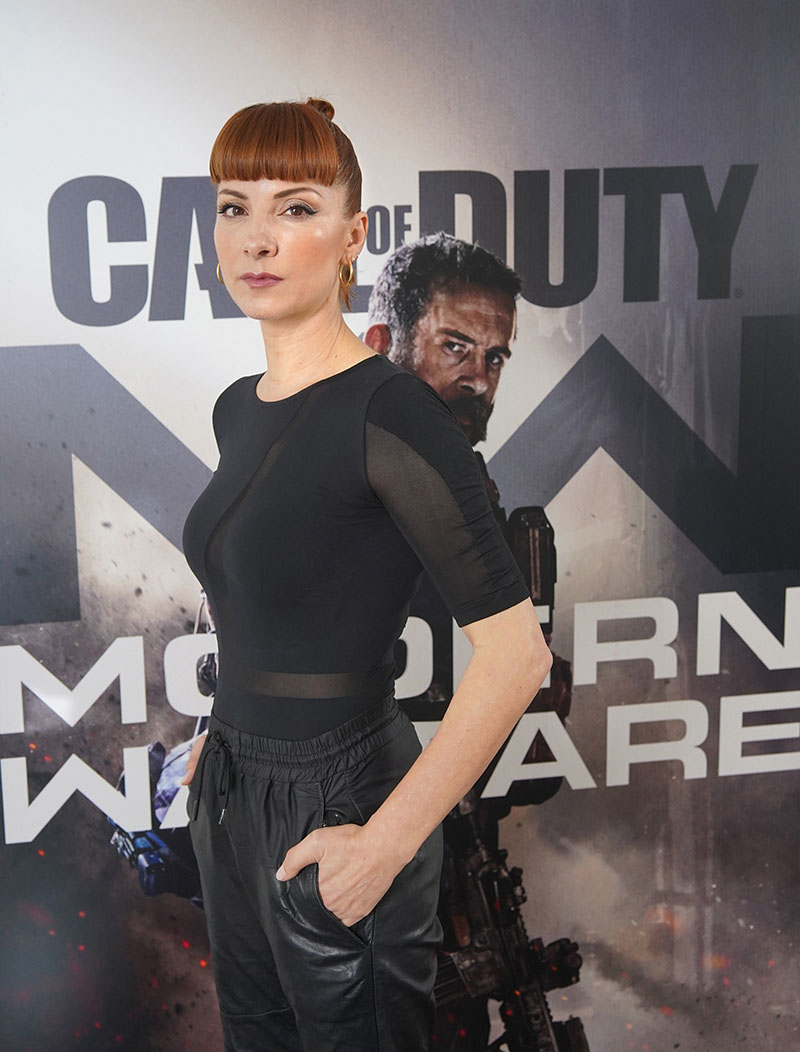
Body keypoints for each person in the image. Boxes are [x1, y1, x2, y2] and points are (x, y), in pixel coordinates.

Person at [180, 99, 551, 1052]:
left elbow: (517, 657)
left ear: (352, 237)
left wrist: (385, 844)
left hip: (345, 800)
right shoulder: (237, 409)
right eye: (234, 207)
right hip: (233, 795)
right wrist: (227, 737)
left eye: (296, 208)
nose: (258, 238)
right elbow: (280, 594)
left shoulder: (394, 412)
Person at [366, 234, 572, 1050]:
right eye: (454, 347)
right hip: (352, 865)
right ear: (382, 345)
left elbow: (529, 711)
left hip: (453, 864)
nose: (479, 379)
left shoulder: (475, 501)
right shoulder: (320, 481)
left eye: (494, 357)